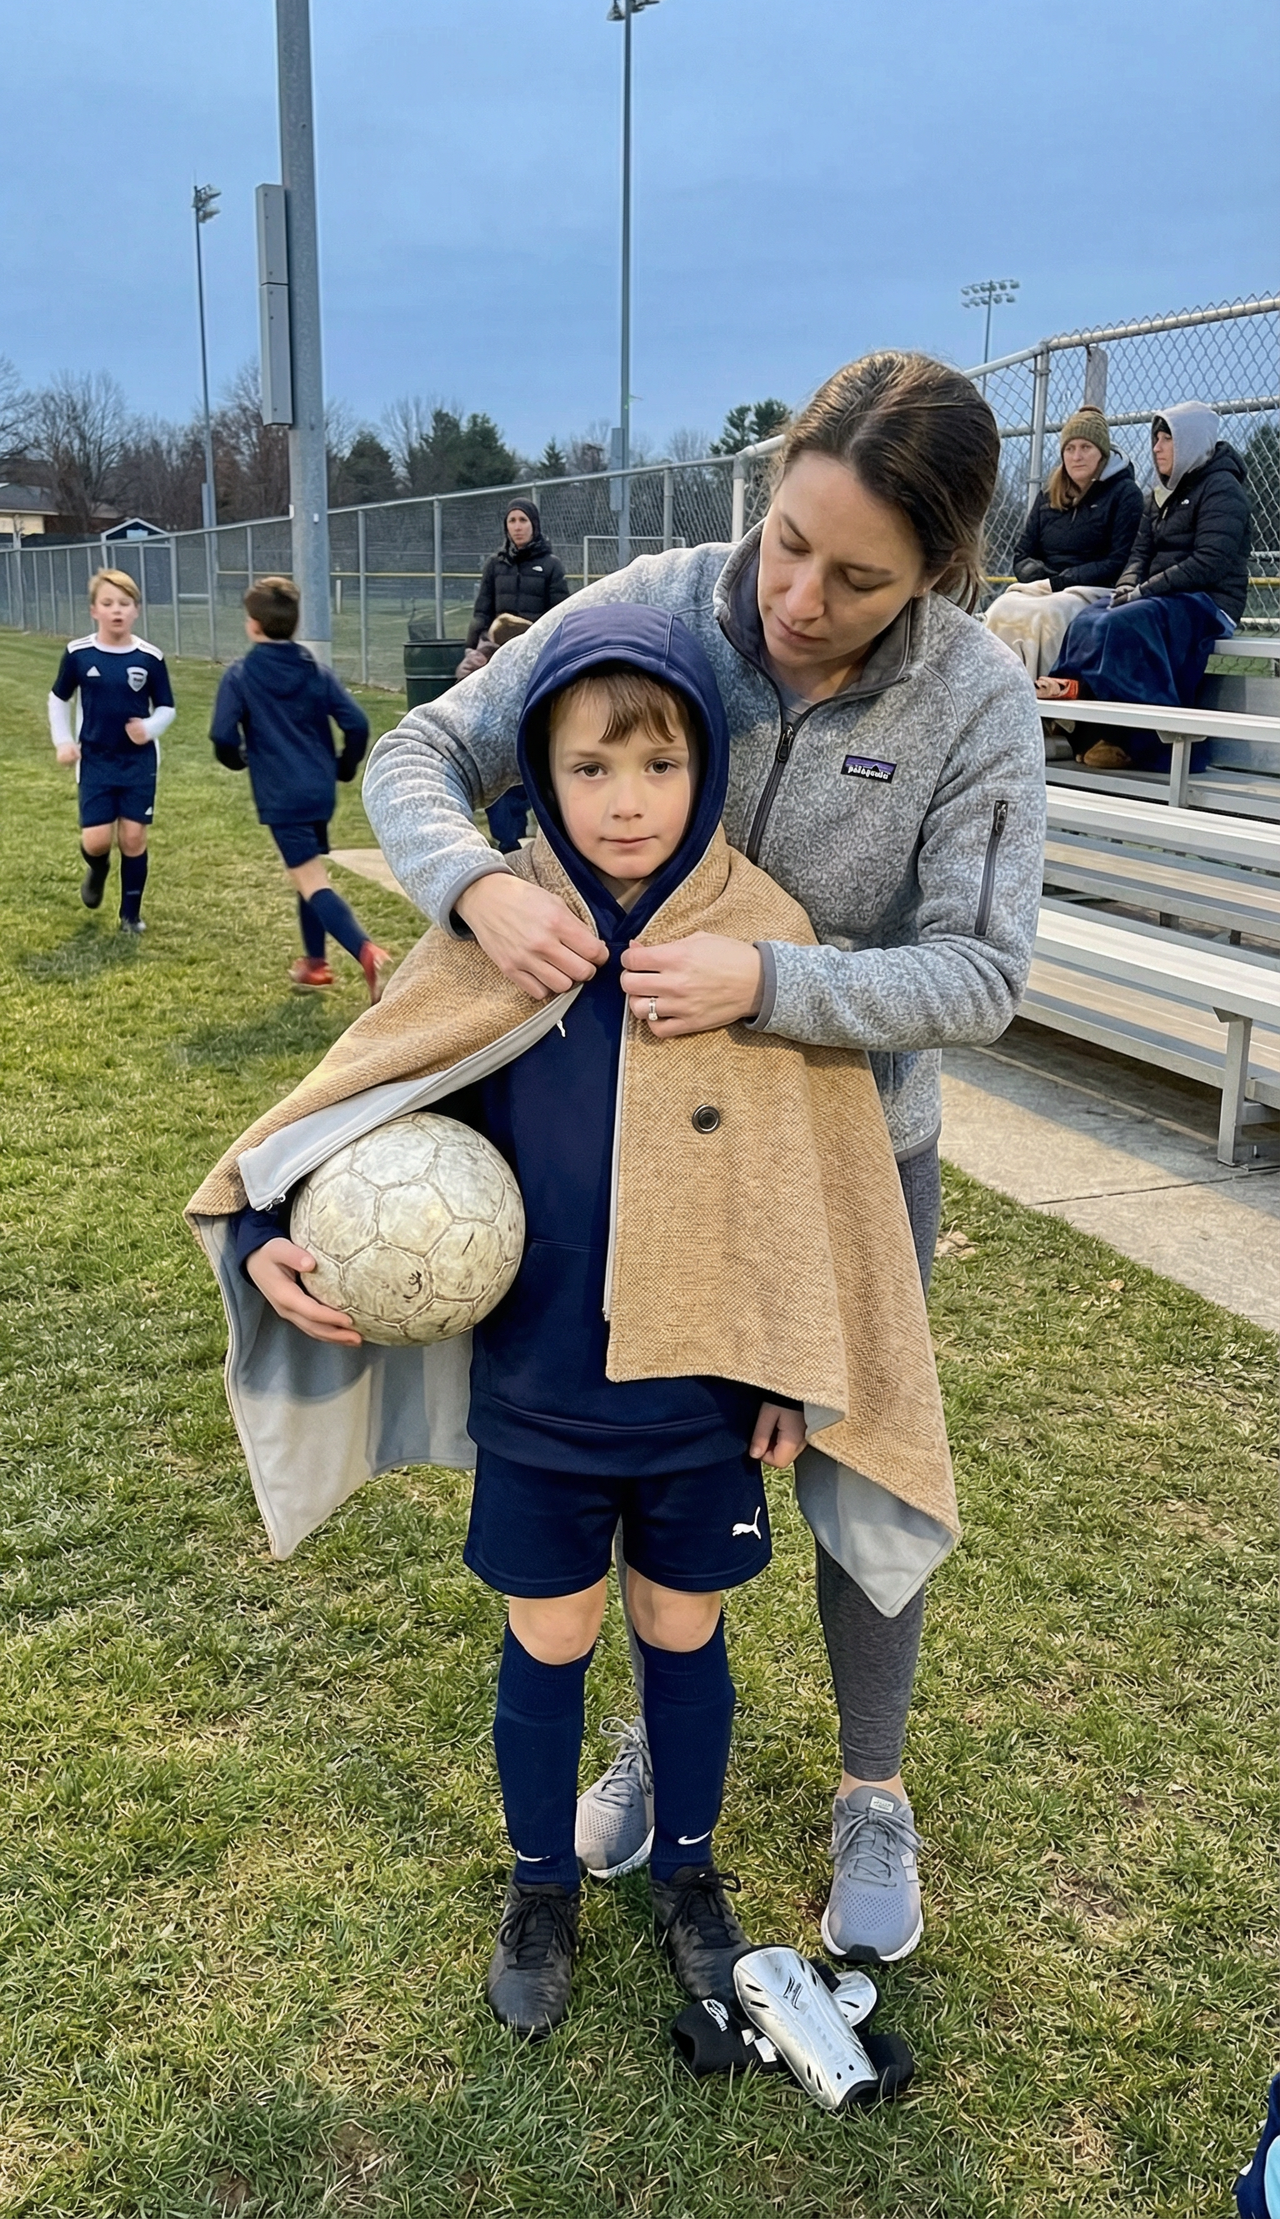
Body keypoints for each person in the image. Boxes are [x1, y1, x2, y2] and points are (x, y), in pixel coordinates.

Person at [361, 351, 1048, 1969]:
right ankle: (666, 1741)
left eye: (859, 578)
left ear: (939, 572)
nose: (800, 597)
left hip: (850, 1157)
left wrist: (772, 981)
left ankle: (872, 1788)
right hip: (633, 1150)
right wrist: (475, 884)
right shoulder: (655, 607)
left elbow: (983, 974)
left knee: (863, 1465)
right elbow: (416, 758)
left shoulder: (976, 702)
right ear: (774, 480)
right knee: (665, 1465)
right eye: (790, 539)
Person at [185, 604, 952, 2042]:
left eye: (658, 764)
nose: (625, 800)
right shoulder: (505, 926)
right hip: (542, 1384)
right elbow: (374, 1089)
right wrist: (271, 1215)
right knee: (551, 1631)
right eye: (589, 767)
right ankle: (539, 1885)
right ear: (538, 768)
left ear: (706, 765)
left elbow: (814, 1186)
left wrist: (793, 1364)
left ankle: (688, 1874)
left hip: (698, 1395)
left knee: (681, 1624)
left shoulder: (757, 937)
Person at [1037, 402, 1252, 771]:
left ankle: (1141, 738)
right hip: (1161, 595)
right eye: (1156, 439)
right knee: (1089, 617)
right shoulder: (1160, 493)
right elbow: (1139, 553)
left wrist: (1145, 591)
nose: (1157, 448)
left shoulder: (1222, 489)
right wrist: (1127, 587)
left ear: (1189, 441)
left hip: (1209, 600)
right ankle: (1072, 700)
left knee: (1124, 622)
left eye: (1167, 439)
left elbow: (1209, 562)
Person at [209, 575, 393, 1002]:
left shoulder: (241, 674)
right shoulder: (314, 670)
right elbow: (357, 723)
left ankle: (365, 950)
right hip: (318, 791)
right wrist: (343, 767)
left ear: (253, 624)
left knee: (311, 880)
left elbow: (221, 735)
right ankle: (316, 964)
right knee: (305, 873)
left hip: (282, 795)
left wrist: (237, 758)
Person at [983, 407, 1141, 756]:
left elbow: (1120, 560)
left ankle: (1055, 721)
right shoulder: (1048, 494)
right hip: (1046, 585)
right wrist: (1039, 575)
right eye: (1070, 448)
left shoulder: (1124, 494)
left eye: (1086, 447)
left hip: (1093, 589)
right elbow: (1022, 554)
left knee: (1050, 615)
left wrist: (1066, 579)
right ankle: (1000, 712)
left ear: (1102, 453)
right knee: (1001, 608)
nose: (1077, 456)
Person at [47, 567, 175, 934]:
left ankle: (130, 916)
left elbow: (167, 708)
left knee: (133, 837)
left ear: (136, 610)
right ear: (94, 610)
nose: (116, 610)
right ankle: (98, 869)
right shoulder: (78, 654)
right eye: (107, 603)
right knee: (97, 840)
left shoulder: (150, 657)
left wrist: (149, 728)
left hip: (138, 762)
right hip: (95, 760)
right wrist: (63, 741)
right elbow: (58, 699)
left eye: (124, 603)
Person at [455, 612, 535, 852]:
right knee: (507, 796)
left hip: (511, 744)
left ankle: (511, 841)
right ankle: (510, 843)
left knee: (511, 795)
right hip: (497, 744)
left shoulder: (502, 666)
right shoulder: (485, 667)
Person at [467, 501, 570, 648]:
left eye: (523, 520)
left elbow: (559, 614)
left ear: (534, 524)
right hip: (499, 648)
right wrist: (471, 647)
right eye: (512, 521)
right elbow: (482, 613)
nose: (517, 527)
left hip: (536, 646)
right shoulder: (494, 564)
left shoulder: (551, 564)